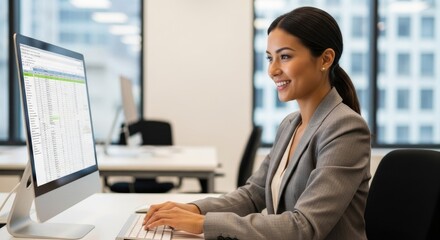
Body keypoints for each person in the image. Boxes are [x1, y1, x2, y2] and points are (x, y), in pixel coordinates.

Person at [143, 6, 371, 240]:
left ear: (325, 59)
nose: (273, 70)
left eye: (285, 56)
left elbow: (305, 226)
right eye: (270, 58)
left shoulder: (346, 129)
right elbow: (255, 194)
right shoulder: (290, 124)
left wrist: (204, 223)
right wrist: (195, 209)